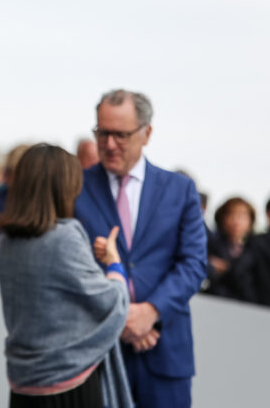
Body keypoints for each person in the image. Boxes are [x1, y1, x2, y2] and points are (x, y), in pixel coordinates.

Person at [74, 89, 206, 408]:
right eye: (102, 133)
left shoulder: (179, 190)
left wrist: (150, 312)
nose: (108, 144)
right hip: (96, 355)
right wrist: (120, 319)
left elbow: (193, 264)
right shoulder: (75, 187)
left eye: (120, 135)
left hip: (163, 352)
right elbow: (68, 267)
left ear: (146, 133)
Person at [0, 144, 130, 408]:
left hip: (24, 383)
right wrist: (114, 265)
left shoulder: (6, 240)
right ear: (63, 187)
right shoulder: (64, 237)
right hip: (68, 383)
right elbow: (111, 302)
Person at [204, 197, 255, 297]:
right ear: (222, 218)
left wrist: (226, 268)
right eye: (231, 215)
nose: (236, 221)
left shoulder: (255, 248)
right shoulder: (211, 243)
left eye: (242, 216)